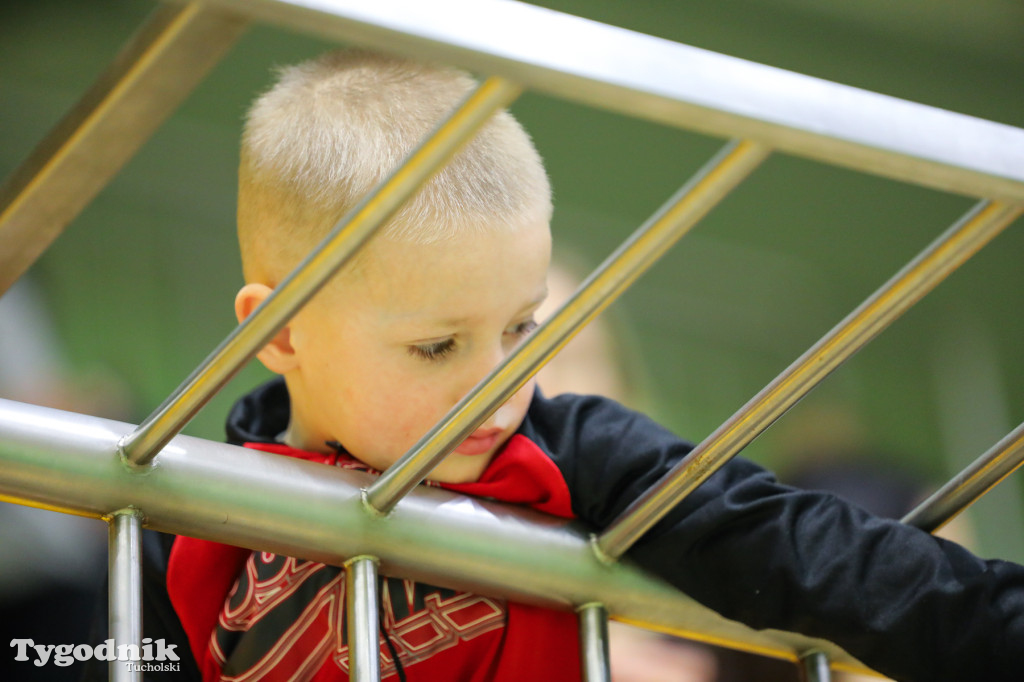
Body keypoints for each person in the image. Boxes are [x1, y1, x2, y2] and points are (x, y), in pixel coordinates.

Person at [84, 49, 1024, 682]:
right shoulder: (189, 510)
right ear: (279, 334)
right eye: (439, 345)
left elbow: (811, 551)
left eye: (524, 330)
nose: (501, 386)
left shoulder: (570, 453)